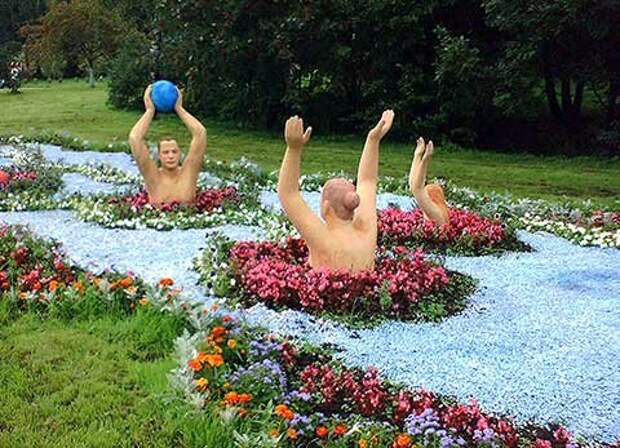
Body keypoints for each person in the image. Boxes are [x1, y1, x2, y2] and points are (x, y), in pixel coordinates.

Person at [277, 110, 394, 272]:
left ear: (326, 207)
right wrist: (373, 140)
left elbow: (288, 194)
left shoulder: (322, 238)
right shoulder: (366, 233)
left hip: (328, 289)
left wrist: (293, 149)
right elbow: (367, 182)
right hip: (368, 288)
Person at [128, 85, 206, 205]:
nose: (170, 156)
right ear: (159, 156)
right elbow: (135, 138)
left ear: (180, 154)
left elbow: (200, 133)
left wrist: (179, 108)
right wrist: (149, 111)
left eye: (174, 152)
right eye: (165, 152)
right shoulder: (153, 176)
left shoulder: (189, 172)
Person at [408, 137, 450, 225]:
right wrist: (417, 155)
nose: (423, 195)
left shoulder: (437, 213)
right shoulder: (436, 210)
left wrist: (425, 159)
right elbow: (413, 185)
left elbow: (417, 188)